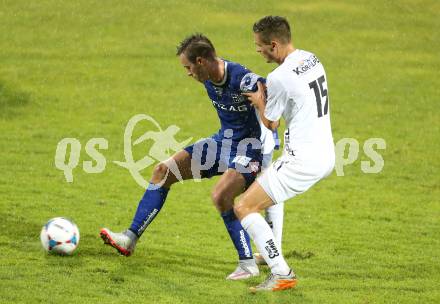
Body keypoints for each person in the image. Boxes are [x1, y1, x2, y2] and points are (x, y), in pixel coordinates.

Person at [100, 33, 283, 280]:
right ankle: (129, 238)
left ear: (200, 61)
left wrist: (263, 109)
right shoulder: (208, 78)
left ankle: (247, 263)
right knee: (163, 171)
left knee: (221, 195)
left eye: (188, 67)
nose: (187, 73)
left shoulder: (243, 78)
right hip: (223, 142)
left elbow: (273, 113)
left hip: (250, 150)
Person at [234, 16, 335, 292]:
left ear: (274, 45)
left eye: (260, 46)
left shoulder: (279, 77)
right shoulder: (311, 58)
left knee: (243, 206)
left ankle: (281, 272)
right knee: (267, 185)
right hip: (326, 152)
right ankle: (271, 251)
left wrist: (258, 101)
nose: (258, 51)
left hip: (302, 160)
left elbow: (272, 122)